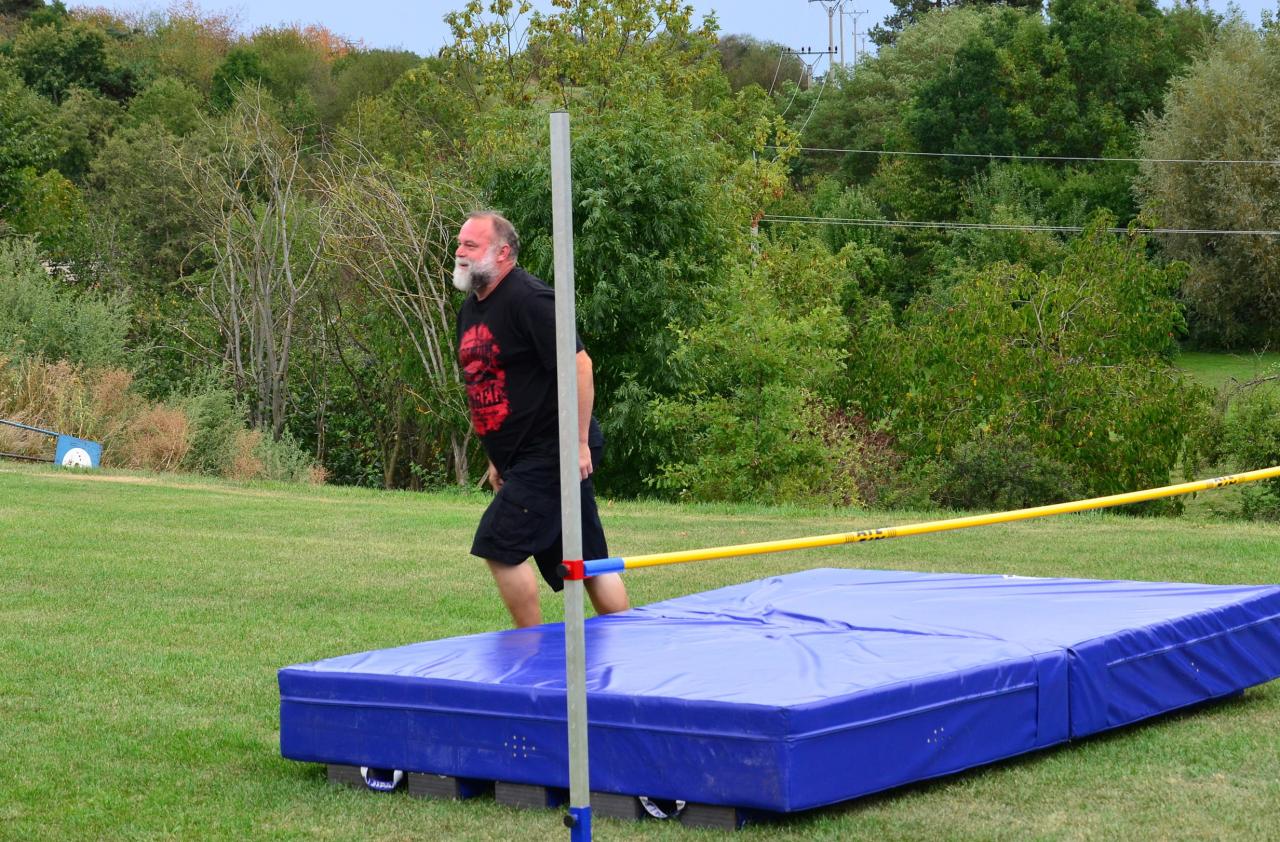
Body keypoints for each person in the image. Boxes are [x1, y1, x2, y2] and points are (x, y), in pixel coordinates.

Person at [454, 210, 629, 628]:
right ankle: (628, 640)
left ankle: (530, 647)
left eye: (470, 245)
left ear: (502, 253)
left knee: (498, 544)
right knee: (588, 560)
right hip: (524, 455)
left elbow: (580, 365)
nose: (460, 253)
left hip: (555, 449)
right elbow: (487, 385)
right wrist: (497, 459)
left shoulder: (529, 299)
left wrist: (579, 443)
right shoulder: (471, 310)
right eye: (459, 244)